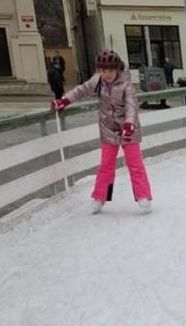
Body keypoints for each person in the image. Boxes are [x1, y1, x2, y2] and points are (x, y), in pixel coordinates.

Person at [52, 49, 152, 214]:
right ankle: (101, 197)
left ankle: (143, 196)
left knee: (135, 165)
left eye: (110, 70)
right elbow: (81, 90)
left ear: (117, 69)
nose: (106, 74)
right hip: (108, 130)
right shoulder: (97, 81)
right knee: (106, 166)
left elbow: (131, 106)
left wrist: (129, 125)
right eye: (103, 70)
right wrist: (64, 100)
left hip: (129, 131)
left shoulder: (126, 85)